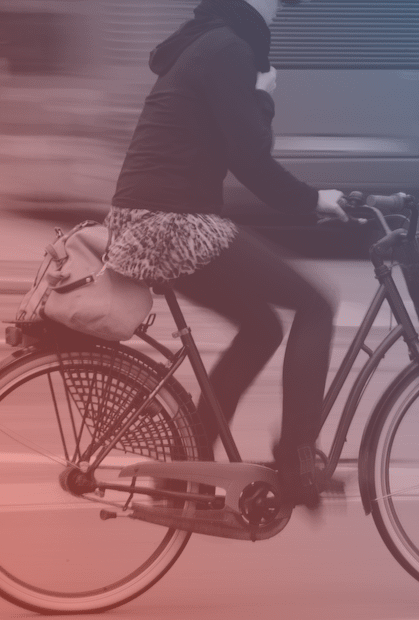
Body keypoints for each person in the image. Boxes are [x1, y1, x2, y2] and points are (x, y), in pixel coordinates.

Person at [105, 0, 347, 508]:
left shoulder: (205, 41)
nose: (280, 11)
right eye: (277, 2)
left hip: (147, 221)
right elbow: (251, 159)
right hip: (170, 225)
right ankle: (299, 461)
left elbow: (234, 149)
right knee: (316, 304)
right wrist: (312, 199)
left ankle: (181, 469)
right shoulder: (229, 49)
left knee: (263, 327)